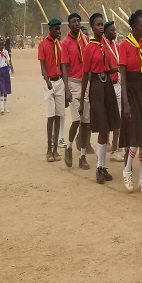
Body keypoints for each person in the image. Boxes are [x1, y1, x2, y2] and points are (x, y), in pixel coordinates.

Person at [118, 10, 142, 194]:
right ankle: (127, 170)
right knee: (135, 134)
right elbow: (123, 78)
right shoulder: (124, 45)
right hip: (131, 91)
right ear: (133, 27)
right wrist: (125, 102)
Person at [79, 13, 121, 183]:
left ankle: (103, 167)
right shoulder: (89, 48)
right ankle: (98, 168)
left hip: (107, 85)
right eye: (97, 25)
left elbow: (108, 67)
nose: (101, 27)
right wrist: (82, 100)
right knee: (101, 125)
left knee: (107, 127)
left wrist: (115, 69)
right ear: (92, 27)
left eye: (102, 24)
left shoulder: (107, 45)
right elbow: (85, 74)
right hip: (96, 86)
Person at [61, 13, 91, 170]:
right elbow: (64, 67)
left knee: (86, 122)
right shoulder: (65, 43)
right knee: (76, 120)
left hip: (86, 83)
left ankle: (83, 156)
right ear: (69, 25)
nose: (77, 24)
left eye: (78, 21)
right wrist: (67, 89)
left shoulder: (84, 40)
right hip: (72, 82)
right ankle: (69, 147)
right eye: (74, 22)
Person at [39, 18, 64, 162]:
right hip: (49, 83)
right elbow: (42, 64)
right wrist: (47, 79)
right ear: (50, 30)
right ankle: (49, 149)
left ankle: (56, 150)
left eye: (59, 29)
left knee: (59, 115)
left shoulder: (59, 45)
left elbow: (62, 65)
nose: (58, 32)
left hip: (59, 82)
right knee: (51, 116)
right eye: (56, 29)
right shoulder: (43, 45)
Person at [104, 21, 124, 164]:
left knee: (118, 118)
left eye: (115, 30)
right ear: (105, 32)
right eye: (112, 30)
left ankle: (114, 149)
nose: (115, 33)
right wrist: (114, 69)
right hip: (106, 85)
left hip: (117, 85)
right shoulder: (102, 47)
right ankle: (105, 144)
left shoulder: (117, 47)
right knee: (106, 119)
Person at [0, 37, 12, 112]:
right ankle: (1, 107)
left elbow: (8, 61)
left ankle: (5, 107)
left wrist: (9, 67)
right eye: (0, 45)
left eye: (2, 45)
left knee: (6, 89)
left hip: (5, 71)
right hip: (0, 71)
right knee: (2, 89)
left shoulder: (6, 52)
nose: (1, 47)